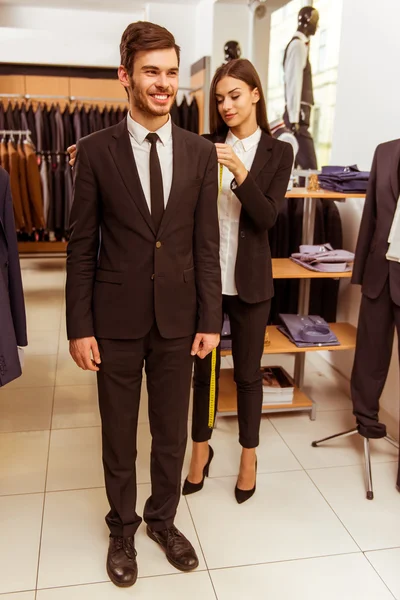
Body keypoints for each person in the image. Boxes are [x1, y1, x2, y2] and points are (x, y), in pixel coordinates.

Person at [66, 21, 222, 589]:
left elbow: (207, 244)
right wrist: (79, 327)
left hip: (180, 320)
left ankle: (162, 520)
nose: (163, 84)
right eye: (151, 72)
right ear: (125, 76)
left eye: (171, 73)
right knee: (117, 432)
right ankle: (122, 528)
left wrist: (211, 318)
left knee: (170, 431)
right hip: (116, 320)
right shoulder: (95, 152)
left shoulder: (202, 153)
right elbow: (81, 246)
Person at [183, 59, 293, 504]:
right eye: (219, 99)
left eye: (234, 96)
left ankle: (249, 458)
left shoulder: (279, 152)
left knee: (247, 375)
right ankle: (200, 450)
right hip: (207, 280)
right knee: (204, 371)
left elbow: (267, 218)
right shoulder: (204, 144)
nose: (226, 106)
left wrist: (240, 173)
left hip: (250, 282)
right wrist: (88, 148)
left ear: (254, 95)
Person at [283, 5, 319, 170]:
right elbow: (293, 82)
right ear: (308, 22)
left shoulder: (300, 45)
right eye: (315, 22)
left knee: (296, 168)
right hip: (297, 119)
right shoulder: (297, 46)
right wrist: (294, 118)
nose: (317, 26)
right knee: (311, 168)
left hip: (298, 117)